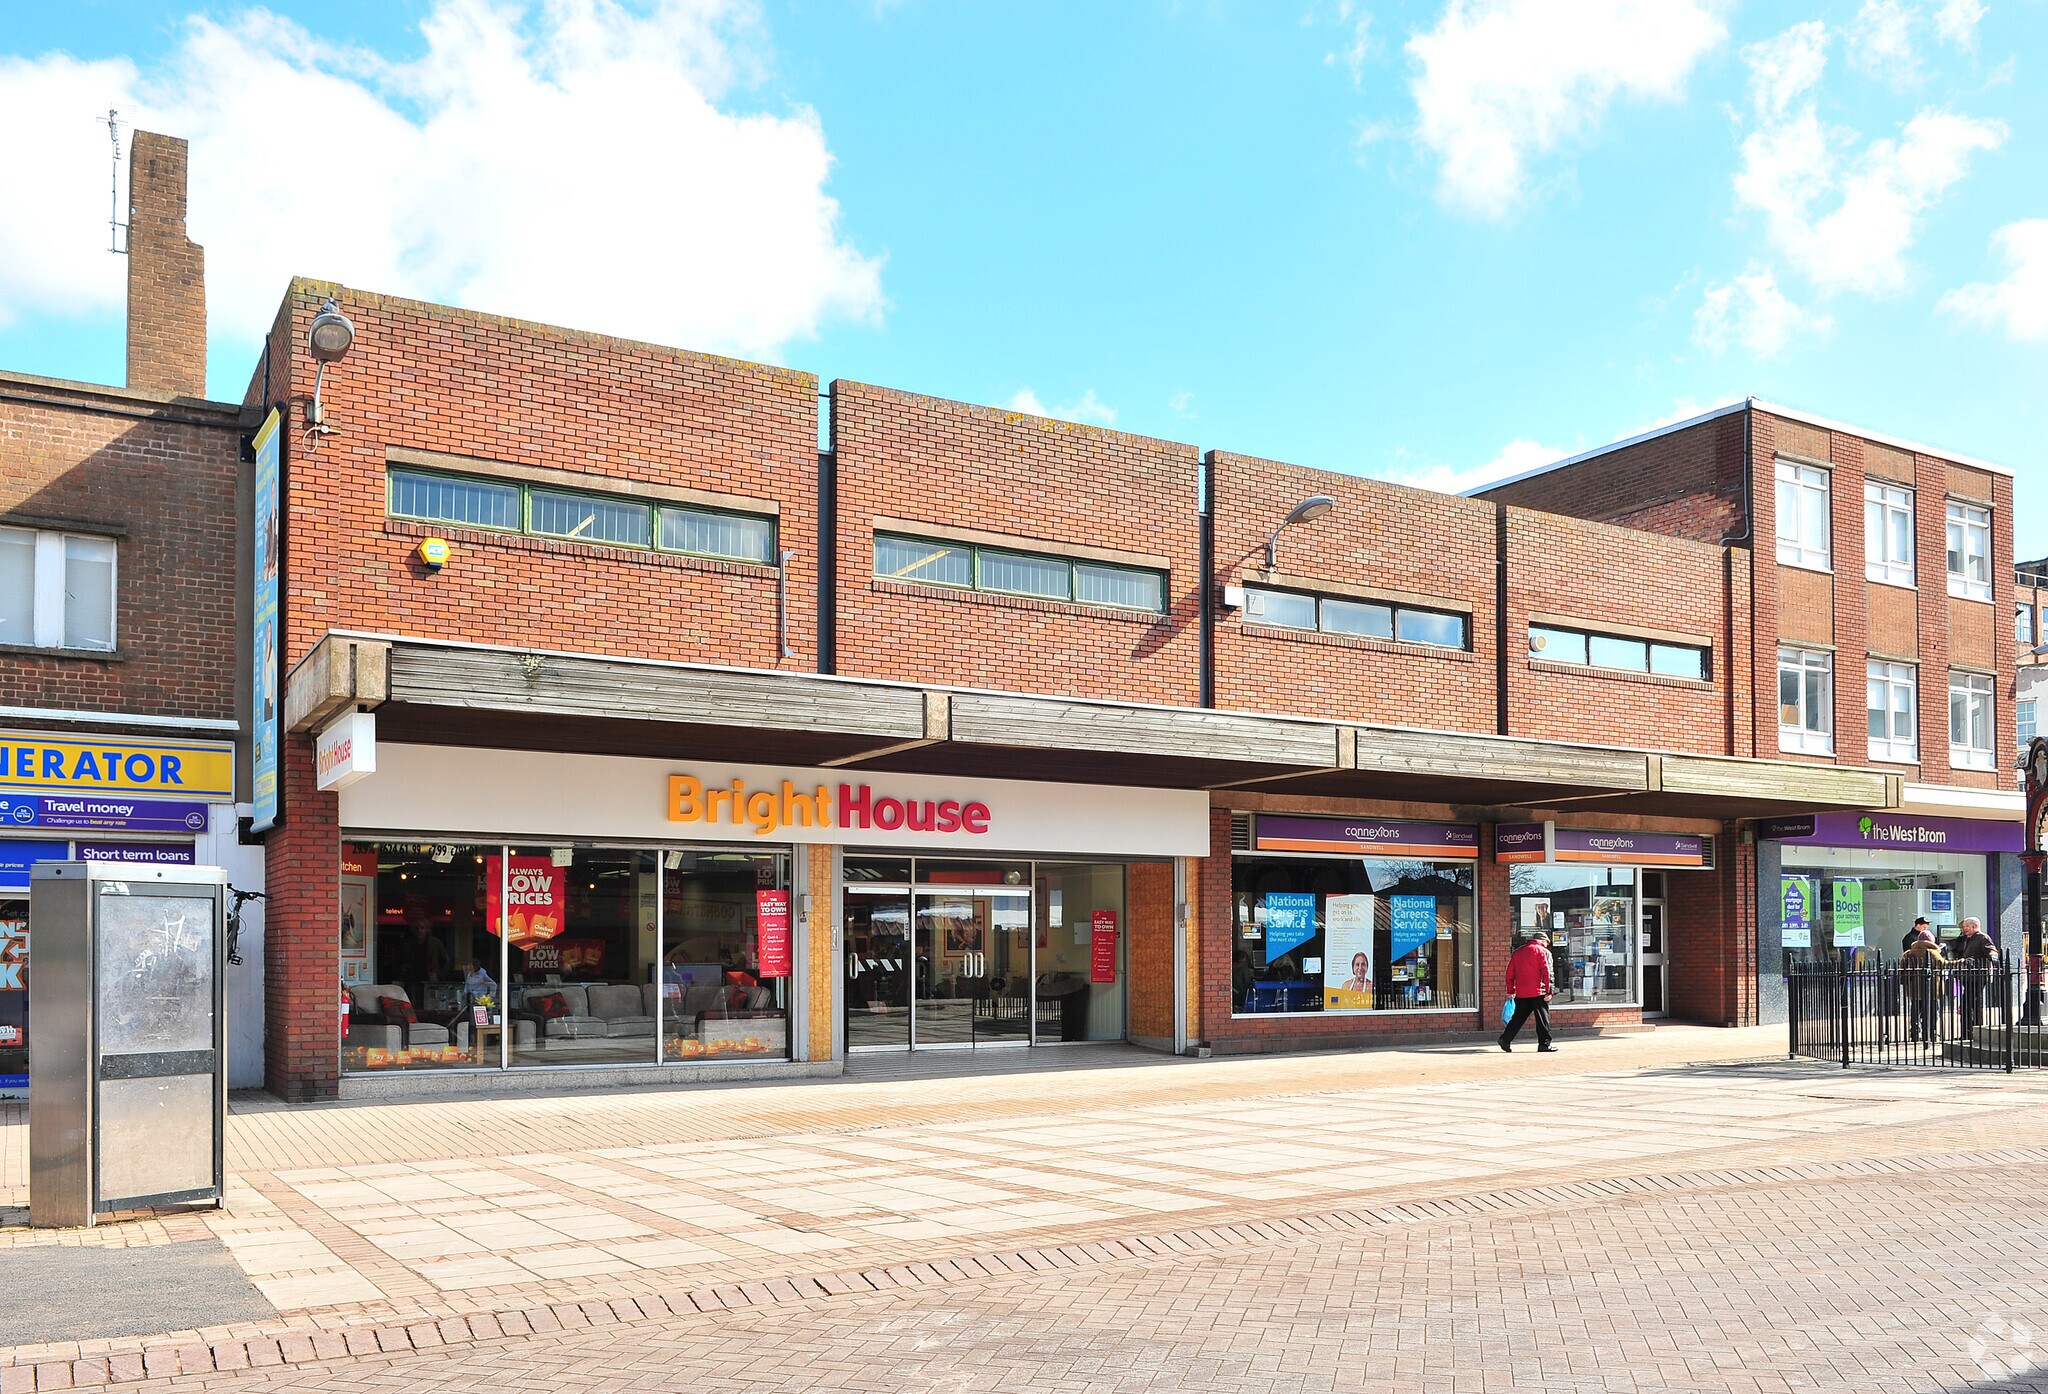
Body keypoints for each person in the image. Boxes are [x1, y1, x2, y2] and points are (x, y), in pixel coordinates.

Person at [1499, 931, 1556, 1053]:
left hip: (1522, 992)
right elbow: (1547, 972)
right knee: (1542, 1019)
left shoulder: (1517, 952)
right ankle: (1544, 1044)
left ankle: (1505, 1039)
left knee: (1518, 1018)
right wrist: (1549, 991)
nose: (1547, 946)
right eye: (1547, 943)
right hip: (1538, 991)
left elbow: (1509, 973)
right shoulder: (1543, 952)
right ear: (1543, 941)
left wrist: (1511, 990)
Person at [1897, 935, 1951, 1044]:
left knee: (1915, 1010)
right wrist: (1963, 961)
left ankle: (1915, 1033)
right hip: (1932, 987)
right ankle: (1931, 1033)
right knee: (1932, 1011)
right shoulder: (1933, 952)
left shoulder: (1909, 953)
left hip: (1914, 987)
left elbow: (1902, 969)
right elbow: (1944, 965)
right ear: (1931, 941)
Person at [1952, 915, 1998, 1039]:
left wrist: (1992, 957)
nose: (1965, 928)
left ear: (1975, 926)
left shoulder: (1982, 937)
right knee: (1967, 1004)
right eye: (1964, 926)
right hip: (1968, 976)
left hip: (1977, 977)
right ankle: (1966, 1032)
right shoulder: (1967, 939)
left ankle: (1976, 1032)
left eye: (1967, 926)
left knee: (1975, 1003)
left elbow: (1992, 950)